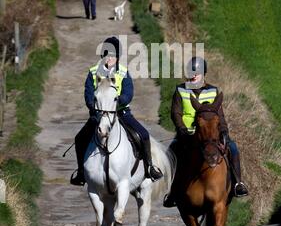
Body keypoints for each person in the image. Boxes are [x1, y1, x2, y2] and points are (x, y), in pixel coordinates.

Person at [70, 36, 163, 186]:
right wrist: (94, 108)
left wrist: (118, 101)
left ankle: (149, 167)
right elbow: (88, 94)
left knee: (144, 135)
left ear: (118, 57)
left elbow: (128, 92)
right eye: (107, 55)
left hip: (121, 113)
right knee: (79, 139)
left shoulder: (123, 72)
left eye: (113, 55)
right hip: (99, 115)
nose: (109, 58)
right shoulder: (93, 72)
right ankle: (81, 172)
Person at [163, 56, 248, 207]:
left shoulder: (213, 91)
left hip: (211, 136)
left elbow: (219, 116)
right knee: (172, 152)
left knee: (233, 147)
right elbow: (176, 113)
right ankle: (173, 191)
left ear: (204, 74)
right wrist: (182, 129)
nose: (194, 75)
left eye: (197, 73)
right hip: (188, 134)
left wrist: (223, 131)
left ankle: (238, 184)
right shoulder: (180, 90)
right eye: (191, 72)